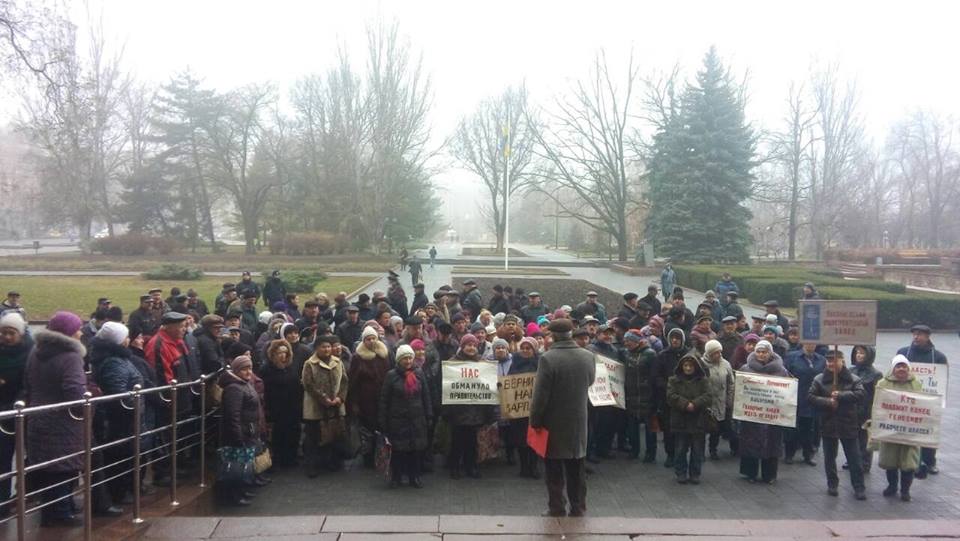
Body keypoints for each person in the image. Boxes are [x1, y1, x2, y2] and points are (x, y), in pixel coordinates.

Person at [24, 311, 87, 526]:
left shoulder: (36, 352)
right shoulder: (71, 356)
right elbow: (75, 392)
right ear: (68, 332)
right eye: (78, 329)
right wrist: (90, 398)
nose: (81, 333)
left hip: (38, 415)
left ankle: (59, 507)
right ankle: (60, 513)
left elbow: (28, 383)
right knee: (64, 467)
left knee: (49, 467)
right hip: (64, 420)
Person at [530, 319, 595, 517]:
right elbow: (591, 381)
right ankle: (578, 507)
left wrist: (535, 420)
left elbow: (540, 395)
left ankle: (556, 507)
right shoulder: (587, 356)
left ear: (554, 336)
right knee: (577, 467)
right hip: (579, 420)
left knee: (554, 468)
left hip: (554, 421)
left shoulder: (548, 358)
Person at [89, 322, 143, 507]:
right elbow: (117, 392)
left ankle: (119, 491)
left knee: (120, 456)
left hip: (120, 418)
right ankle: (118, 493)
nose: (129, 340)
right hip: (120, 420)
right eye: (126, 337)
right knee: (120, 456)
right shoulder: (114, 362)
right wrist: (134, 406)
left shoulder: (114, 358)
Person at [809, 350, 866, 500]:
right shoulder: (819, 379)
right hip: (828, 422)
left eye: (834, 361)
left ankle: (859, 487)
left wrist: (841, 395)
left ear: (842, 361)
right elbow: (811, 397)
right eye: (829, 361)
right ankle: (832, 484)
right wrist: (827, 401)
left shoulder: (854, 379)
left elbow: (860, 394)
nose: (831, 364)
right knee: (829, 458)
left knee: (854, 458)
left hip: (848, 422)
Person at [896, 324, 947, 478]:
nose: (916, 337)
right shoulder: (903, 353)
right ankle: (904, 459)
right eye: (914, 334)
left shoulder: (938, 357)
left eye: (919, 334)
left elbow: (941, 380)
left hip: (927, 400)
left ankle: (929, 461)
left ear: (927, 336)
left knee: (928, 430)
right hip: (906, 399)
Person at [379, 344, 432, 488]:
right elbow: (384, 400)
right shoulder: (391, 376)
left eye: (410, 358)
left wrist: (429, 415)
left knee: (415, 451)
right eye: (405, 358)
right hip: (397, 420)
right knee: (398, 451)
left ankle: (414, 477)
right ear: (398, 360)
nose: (408, 361)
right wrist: (383, 420)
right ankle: (396, 477)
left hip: (417, 419)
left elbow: (426, 395)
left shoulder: (419, 373)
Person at [443, 334, 495, 479]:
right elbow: (446, 387)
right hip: (458, 410)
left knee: (472, 442)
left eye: (474, 345)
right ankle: (455, 467)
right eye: (468, 345)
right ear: (462, 346)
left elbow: (488, 386)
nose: (471, 348)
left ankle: (471, 466)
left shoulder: (483, 364)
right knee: (457, 441)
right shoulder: (452, 363)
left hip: (476, 410)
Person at [738, 340, 789, 484]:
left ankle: (769, 475)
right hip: (752, 414)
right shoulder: (746, 369)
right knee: (750, 442)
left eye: (764, 352)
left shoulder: (781, 370)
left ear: (770, 353)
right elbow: (740, 390)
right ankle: (750, 473)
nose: (761, 354)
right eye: (758, 352)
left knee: (772, 444)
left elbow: (786, 392)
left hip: (772, 415)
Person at [301, 335, 348, 477]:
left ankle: (331, 462)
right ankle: (311, 466)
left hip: (335, 405)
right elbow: (308, 384)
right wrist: (324, 399)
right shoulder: (310, 364)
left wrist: (340, 397)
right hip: (316, 407)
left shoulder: (337, 362)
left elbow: (344, 381)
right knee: (313, 437)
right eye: (323, 347)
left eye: (328, 347)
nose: (326, 349)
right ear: (316, 348)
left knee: (333, 435)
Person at [0, 312, 32, 517]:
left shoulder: (30, 353)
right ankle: (2, 502)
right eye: (3, 332)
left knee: (28, 457)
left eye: (11, 333)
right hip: (2, 414)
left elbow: (29, 383)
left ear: (20, 333)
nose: (6, 337)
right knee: (3, 459)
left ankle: (25, 494)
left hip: (21, 411)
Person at [218, 355, 262, 506]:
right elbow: (233, 415)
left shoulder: (244, 384)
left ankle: (241, 491)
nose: (248, 372)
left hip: (248, 431)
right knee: (235, 468)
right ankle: (233, 495)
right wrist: (237, 436)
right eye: (244, 369)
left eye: (250, 368)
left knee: (243, 465)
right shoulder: (234, 388)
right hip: (239, 434)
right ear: (236, 370)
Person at [878, 355, 922, 501]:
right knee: (890, 461)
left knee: (908, 462)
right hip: (890, 429)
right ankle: (892, 486)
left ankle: (905, 490)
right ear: (893, 368)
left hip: (909, 430)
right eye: (898, 366)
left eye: (904, 366)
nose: (901, 369)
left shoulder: (916, 384)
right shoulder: (883, 383)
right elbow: (878, 404)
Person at [348, 327, 391, 467]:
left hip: (382, 397)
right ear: (364, 340)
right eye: (368, 339)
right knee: (367, 430)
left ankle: (381, 455)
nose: (371, 341)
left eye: (373, 338)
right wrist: (354, 403)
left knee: (382, 428)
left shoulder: (383, 354)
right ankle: (368, 457)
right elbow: (353, 382)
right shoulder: (358, 357)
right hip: (366, 400)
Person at [259, 339, 304, 468]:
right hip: (276, 408)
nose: (283, 356)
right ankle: (278, 460)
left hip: (293, 407)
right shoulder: (266, 369)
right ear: (273, 354)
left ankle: (291, 458)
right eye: (279, 353)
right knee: (278, 435)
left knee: (293, 433)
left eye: (285, 352)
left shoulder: (291, 367)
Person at [667, 352, 710, 484]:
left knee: (697, 450)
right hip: (680, 419)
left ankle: (695, 473)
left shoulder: (703, 380)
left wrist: (695, 404)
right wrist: (685, 404)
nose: (688, 368)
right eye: (685, 365)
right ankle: (681, 472)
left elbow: (708, 396)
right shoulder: (673, 380)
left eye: (691, 366)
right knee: (680, 449)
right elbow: (670, 396)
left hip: (698, 419)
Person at [784, 343, 826, 466]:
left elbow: (825, 378)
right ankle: (789, 454)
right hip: (794, 397)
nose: (810, 345)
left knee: (808, 429)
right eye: (807, 342)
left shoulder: (821, 360)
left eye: (812, 342)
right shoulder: (791, 357)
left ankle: (808, 455)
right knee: (791, 429)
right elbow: (784, 375)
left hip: (812, 399)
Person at [622, 330, 657, 462]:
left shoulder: (650, 354)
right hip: (631, 396)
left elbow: (654, 376)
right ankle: (634, 450)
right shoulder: (625, 353)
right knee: (632, 428)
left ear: (637, 341)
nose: (626, 343)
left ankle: (650, 453)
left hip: (647, 396)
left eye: (628, 340)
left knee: (650, 429)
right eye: (625, 340)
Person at [654, 328, 687, 467]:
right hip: (667, 398)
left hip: (685, 397)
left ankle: (682, 455)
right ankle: (670, 454)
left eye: (677, 338)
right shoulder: (662, 355)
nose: (675, 340)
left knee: (683, 429)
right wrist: (668, 386)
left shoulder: (689, 355)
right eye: (672, 337)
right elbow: (656, 376)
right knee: (668, 429)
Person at [509, 337, 540, 478]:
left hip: (535, 408)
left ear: (534, 350)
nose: (525, 351)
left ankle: (534, 467)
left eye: (528, 348)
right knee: (520, 439)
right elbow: (508, 382)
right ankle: (524, 467)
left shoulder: (540, 363)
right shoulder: (515, 363)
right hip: (518, 409)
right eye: (523, 348)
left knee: (535, 439)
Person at [703, 340, 737, 460]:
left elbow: (731, 383)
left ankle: (735, 449)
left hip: (723, 401)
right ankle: (712, 450)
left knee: (728, 427)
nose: (719, 355)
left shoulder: (726, 364)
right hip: (709, 402)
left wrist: (729, 399)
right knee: (713, 429)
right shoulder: (702, 364)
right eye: (715, 353)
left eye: (720, 352)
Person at [850, 345, 881, 473]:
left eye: (862, 353)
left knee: (865, 438)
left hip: (866, 410)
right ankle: (852, 459)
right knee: (852, 437)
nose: (858, 355)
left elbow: (878, 395)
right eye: (857, 352)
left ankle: (865, 462)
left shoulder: (876, 374)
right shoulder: (851, 370)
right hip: (852, 409)